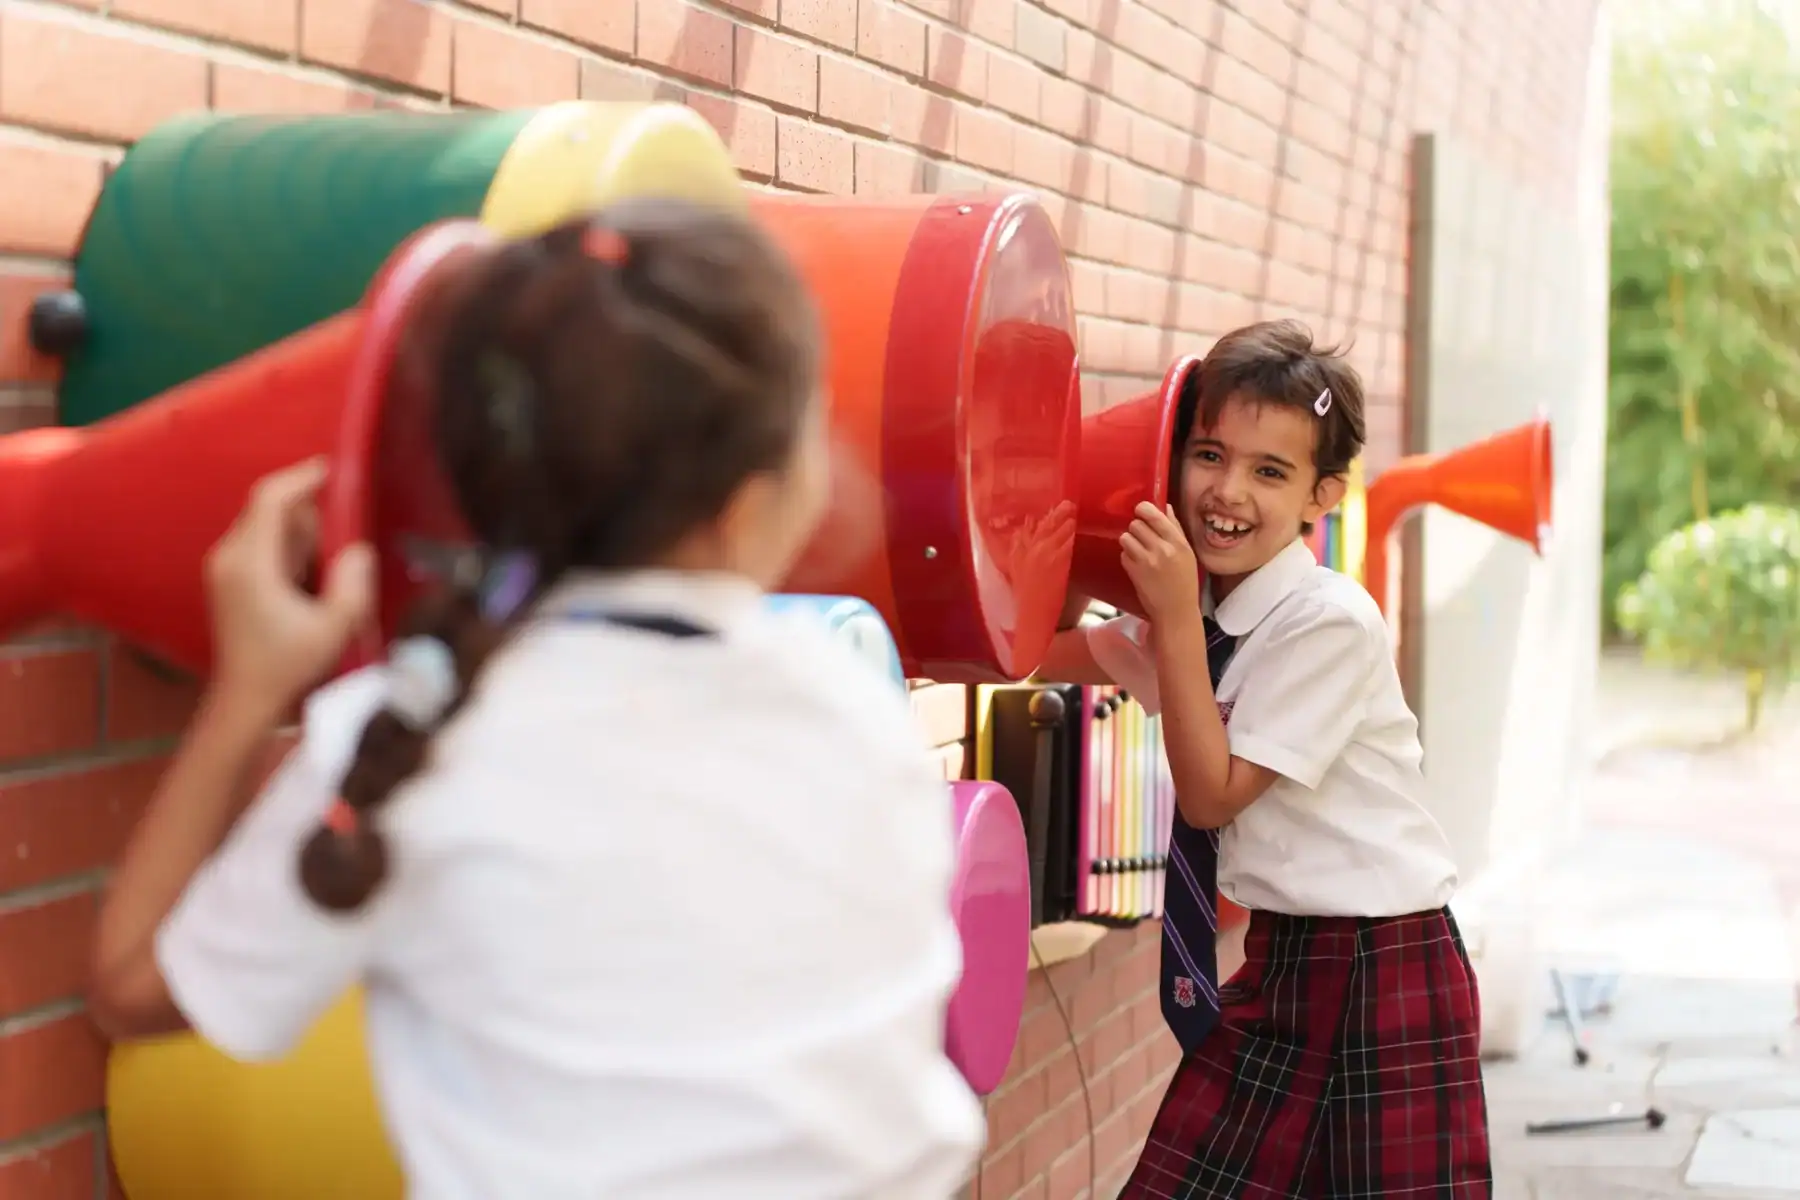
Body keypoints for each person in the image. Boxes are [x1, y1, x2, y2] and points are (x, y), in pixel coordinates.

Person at [87, 201, 986, 1199]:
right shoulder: (855, 705)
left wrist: (250, 688)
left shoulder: (411, 740)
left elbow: (129, 985)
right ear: (744, 508)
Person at [1036, 320, 1492, 1197]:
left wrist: (1167, 617)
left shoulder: (1327, 621)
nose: (1227, 491)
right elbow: (1039, 649)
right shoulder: (1193, 622)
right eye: (1208, 454)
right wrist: (1083, 534)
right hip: (1287, 962)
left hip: (1386, 963)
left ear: (1321, 495)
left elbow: (1213, 798)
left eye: (1269, 471)